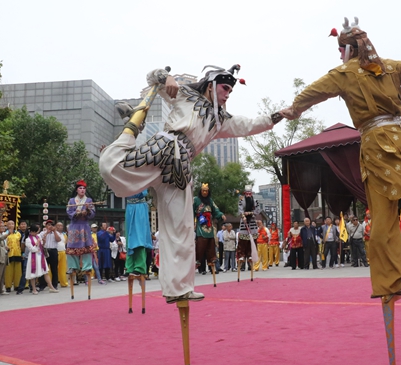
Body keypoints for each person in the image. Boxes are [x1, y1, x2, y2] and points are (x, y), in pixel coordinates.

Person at [279, 17, 401, 301]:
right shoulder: (390, 66)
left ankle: (390, 283)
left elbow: (312, 93)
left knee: (382, 220)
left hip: (379, 146)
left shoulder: (344, 73)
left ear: (347, 50)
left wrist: (294, 109)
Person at [100, 65, 281, 304]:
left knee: (183, 227)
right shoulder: (185, 94)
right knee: (110, 165)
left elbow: (248, 125)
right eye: (225, 88)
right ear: (211, 86)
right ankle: (129, 132)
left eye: (230, 91)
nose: (228, 94)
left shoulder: (219, 120)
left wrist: (278, 116)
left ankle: (179, 288)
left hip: (181, 167)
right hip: (164, 149)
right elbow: (152, 76)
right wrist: (167, 77)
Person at [66, 180, 96, 279]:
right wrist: (77, 213)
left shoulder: (89, 200)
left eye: (84, 188)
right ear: (76, 190)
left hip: (84, 225)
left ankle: (87, 267)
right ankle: (72, 266)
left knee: (87, 246)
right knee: (71, 246)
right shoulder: (71, 201)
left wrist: (87, 210)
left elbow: (92, 212)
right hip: (74, 226)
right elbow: (69, 212)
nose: (82, 190)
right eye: (80, 188)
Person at [194, 183, 225, 276]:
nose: (205, 192)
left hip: (209, 225)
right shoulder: (195, 200)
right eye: (203, 191)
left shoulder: (210, 201)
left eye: (206, 191)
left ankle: (212, 265)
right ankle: (198, 264)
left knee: (211, 246)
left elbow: (216, 210)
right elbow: (189, 211)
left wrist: (221, 215)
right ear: (200, 191)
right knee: (200, 245)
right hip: (200, 225)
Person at [124, 189, 153, 278]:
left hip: (140, 207)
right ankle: (129, 267)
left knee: (139, 237)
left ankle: (140, 267)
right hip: (129, 206)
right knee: (130, 237)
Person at [25, 224, 59, 294]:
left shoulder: (38, 237)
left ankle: (51, 287)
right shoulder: (28, 239)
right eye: (35, 232)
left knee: (45, 272)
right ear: (31, 231)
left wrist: (43, 241)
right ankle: (34, 289)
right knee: (32, 273)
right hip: (33, 257)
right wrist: (37, 243)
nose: (36, 233)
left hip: (40, 256)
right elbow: (32, 249)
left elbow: (42, 245)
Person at [237, 185, 259, 272]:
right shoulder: (241, 201)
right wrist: (243, 216)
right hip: (244, 222)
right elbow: (240, 210)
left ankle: (250, 261)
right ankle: (242, 261)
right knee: (243, 243)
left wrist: (250, 213)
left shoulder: (255, 201)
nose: (248, 195)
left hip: (252, 222)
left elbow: (257, 211)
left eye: (250, 193)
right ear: (245, 193)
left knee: (252, 242)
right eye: (247, 193)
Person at [39, 220, 61, 290]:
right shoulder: (42, 233)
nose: (50, 226)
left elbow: (58, 240)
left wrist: (54, 232)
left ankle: (54, 284)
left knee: (54, 268)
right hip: (45, 251)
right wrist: (47, 233)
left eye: (51, 225)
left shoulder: (56, 232)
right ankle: (42, 284)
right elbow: (41, 241)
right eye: (48, 225)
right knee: (43, 268)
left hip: (53, 251)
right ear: (46, 226)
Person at [4, 220, 22, 293]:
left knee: (18, 271)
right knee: (8, 271)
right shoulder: (5, 234)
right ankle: (8, 286)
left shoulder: (18, 233)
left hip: (17, 253)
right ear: (7, 226)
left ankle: (17, 285)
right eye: (9, 224)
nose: (11, 225)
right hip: (9, 254)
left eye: (12, 224)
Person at [55, 222, 69, 288]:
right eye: (58, 225)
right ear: (56, 226)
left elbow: (65, 242)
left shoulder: (64, 234)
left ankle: (63, 283)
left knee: (63, 269)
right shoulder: (54, 233)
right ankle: (52, 283)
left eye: (61, 226)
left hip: (63, 251)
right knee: (54, 268)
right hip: (56, 251)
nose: (60, 227)